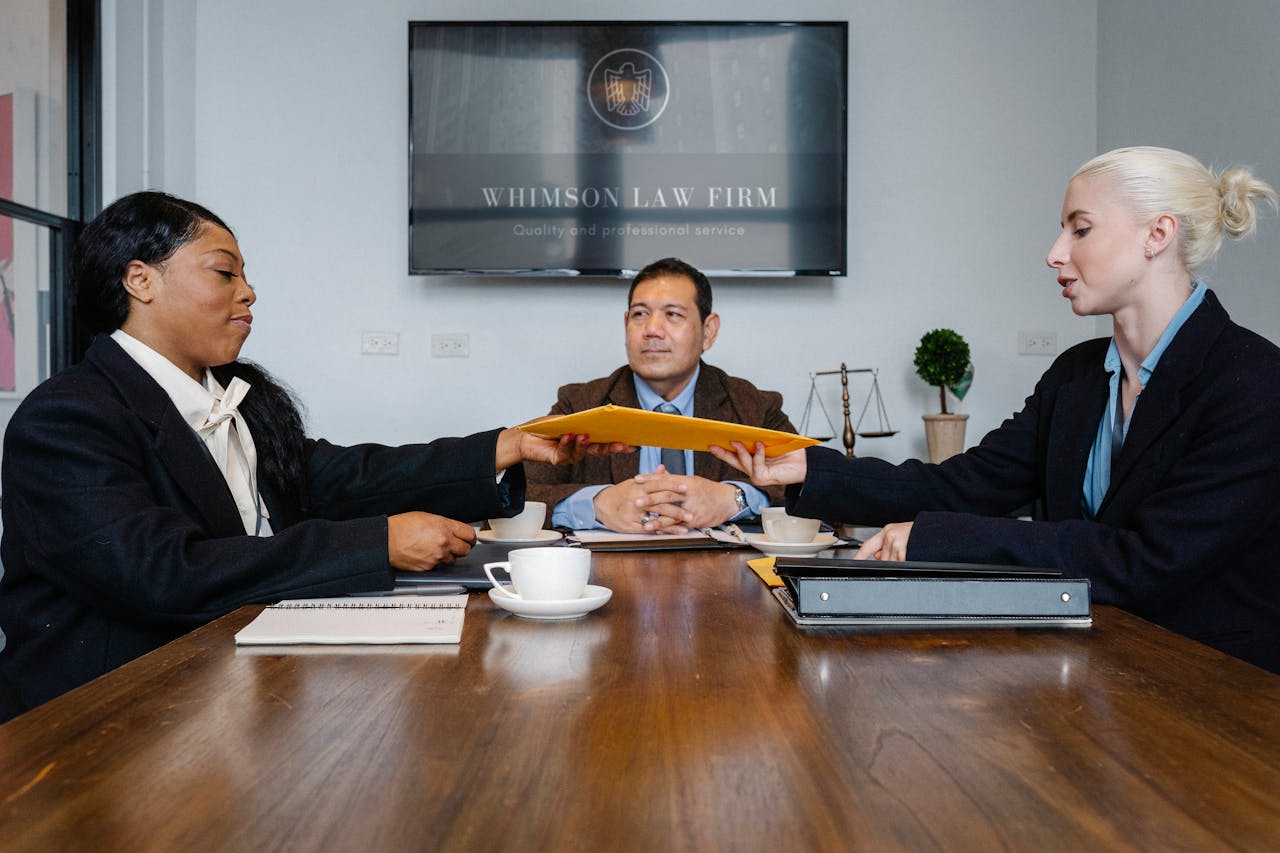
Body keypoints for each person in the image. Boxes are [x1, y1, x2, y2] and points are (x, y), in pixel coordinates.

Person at [0, 191, 623, 717]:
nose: (249, 294)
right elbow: (162, 573)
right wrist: (375, 544)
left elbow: (344, 478)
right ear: (141, 280)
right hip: (113, 716)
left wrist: (505, 447)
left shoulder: (240, 401)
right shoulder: (68, 417)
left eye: (245, 277)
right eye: (225, 273)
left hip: (241, 686)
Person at [712, 146, 1280, 673]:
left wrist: (936, 538)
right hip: (1091, 666)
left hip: (1214, 689)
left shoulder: (1253, 383)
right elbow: (967, 485)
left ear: (1157, 235)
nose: (1055, 253)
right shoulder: (1077, 375)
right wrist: (811, 468)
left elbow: (1147, 561)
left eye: (1080, 229)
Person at [525, 257, 797, 534]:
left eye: (673, 314)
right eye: (640, 314)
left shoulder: (753, 406)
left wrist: (733, 498)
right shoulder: (581, 404)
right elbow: (516, 494)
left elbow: (811, 484)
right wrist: (596, 504)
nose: (652, 330)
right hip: (610, 575)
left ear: (708, 331)